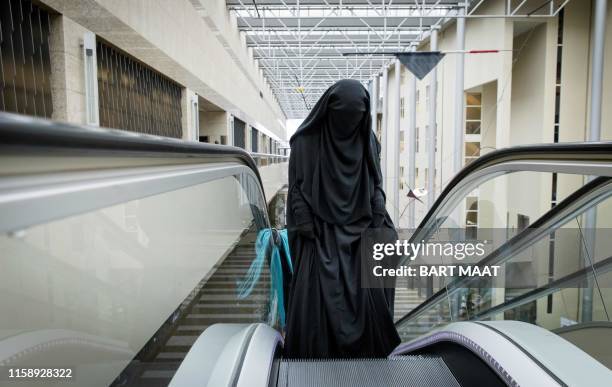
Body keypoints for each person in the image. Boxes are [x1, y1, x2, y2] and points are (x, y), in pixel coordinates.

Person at [284, 79, 400, 358]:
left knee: (384, 249)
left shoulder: (367, 139)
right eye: (342, 118)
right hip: (320, 230)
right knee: (318, 296)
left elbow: (376, 180)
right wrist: (304, 220)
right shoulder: (305, 141)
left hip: (360, 226)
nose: (348, 124)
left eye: (355, 118)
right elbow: (297, 187)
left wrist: (378, 203)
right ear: (328, 111)